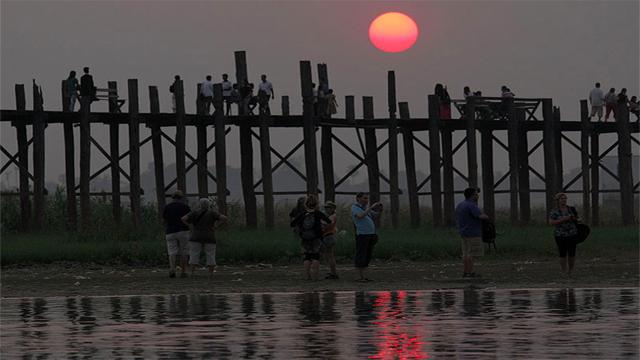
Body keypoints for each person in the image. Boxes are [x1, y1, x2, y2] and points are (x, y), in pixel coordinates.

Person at [181, 198, 228, 278]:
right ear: (208, 205)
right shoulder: (212, 213)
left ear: (200, 205)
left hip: (196, 236)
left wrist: (190, 226)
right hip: (209, 236)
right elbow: (224, 218)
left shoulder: (194, 213)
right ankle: (210, 273)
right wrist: (216, 226)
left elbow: (183, 218)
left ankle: (192, 273)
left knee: (194, 254)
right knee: (210, 254)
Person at [290, 195, 331, 281]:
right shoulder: (318, 213)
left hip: (305, 238)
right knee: (316, 257)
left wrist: (301, 228)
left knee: (307, 257)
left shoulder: (302, 214)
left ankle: (307, 277)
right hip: (317, 237)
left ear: (306, 204)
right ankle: (315, 277)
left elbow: (292, 224)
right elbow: (328, 221)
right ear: (316, 204)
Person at [455, 187, 489, 278]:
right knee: (472, 254)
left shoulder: (460, 205)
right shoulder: (471, 205)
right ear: (472, 195)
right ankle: (470, 273)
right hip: (473, 233)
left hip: (463, 232)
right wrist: (486, 216)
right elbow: (480, 216)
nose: (477, 195)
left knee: (466, 253)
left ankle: (466, 272)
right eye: (475, 194)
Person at [351, 193, 382, 282]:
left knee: (367, 255)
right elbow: (360, 216)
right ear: (358, 199)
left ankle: (364, 275)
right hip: (362, 235)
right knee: (361, 254)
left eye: (367, 198)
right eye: (364, 198)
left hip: (371, 234)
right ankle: (358, 276)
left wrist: (379, 210)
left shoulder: (365, 208)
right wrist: (371, 207)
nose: (366, 200)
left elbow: (374, 215)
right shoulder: (355, 208)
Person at [162, 190, 191, 278]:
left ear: (172, 197)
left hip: (170, 231)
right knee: (184, 251)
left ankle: (172, 270)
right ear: (181, 198)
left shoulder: (167, 207)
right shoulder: (185, 207)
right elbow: (189, 219)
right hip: (183, 231)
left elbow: (163, 220)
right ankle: (183, 271)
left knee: (172, 252)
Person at [548, 193, 579, 276]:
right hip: (560, 234)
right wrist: (564, 219)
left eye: (565, 198)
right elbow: (551, 222)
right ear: (558, 200)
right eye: (562, 198)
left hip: (572, 234)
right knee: (562, 253)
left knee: (572, 253)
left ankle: (571, 271)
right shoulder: (554, 211)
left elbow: (577, 219)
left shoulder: (571, 209)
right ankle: (563, 271)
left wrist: (574, 218)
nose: (564, 200)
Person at [321, 201, 339, 279]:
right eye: (326, 208)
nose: (326, 209)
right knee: (329, 255)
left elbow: (327, 225)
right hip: (329, 235)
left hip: (329, 236)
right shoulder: (330, 216)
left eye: (328, 208)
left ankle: (333, 273)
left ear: (332, 208)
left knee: (330, 255)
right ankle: (332, 271)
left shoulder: (332, 216)